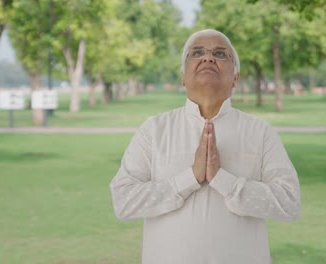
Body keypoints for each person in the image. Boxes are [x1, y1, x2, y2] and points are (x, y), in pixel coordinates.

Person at [110, 29, 301, 264]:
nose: (208, 58)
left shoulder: (260, 132)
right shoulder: (154, 130)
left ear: (235, 78)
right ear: (183, 76)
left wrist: (223, 180)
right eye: (197, 52)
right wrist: (190, 178)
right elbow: (123, 202)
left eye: (220, 54)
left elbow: (289, 203)